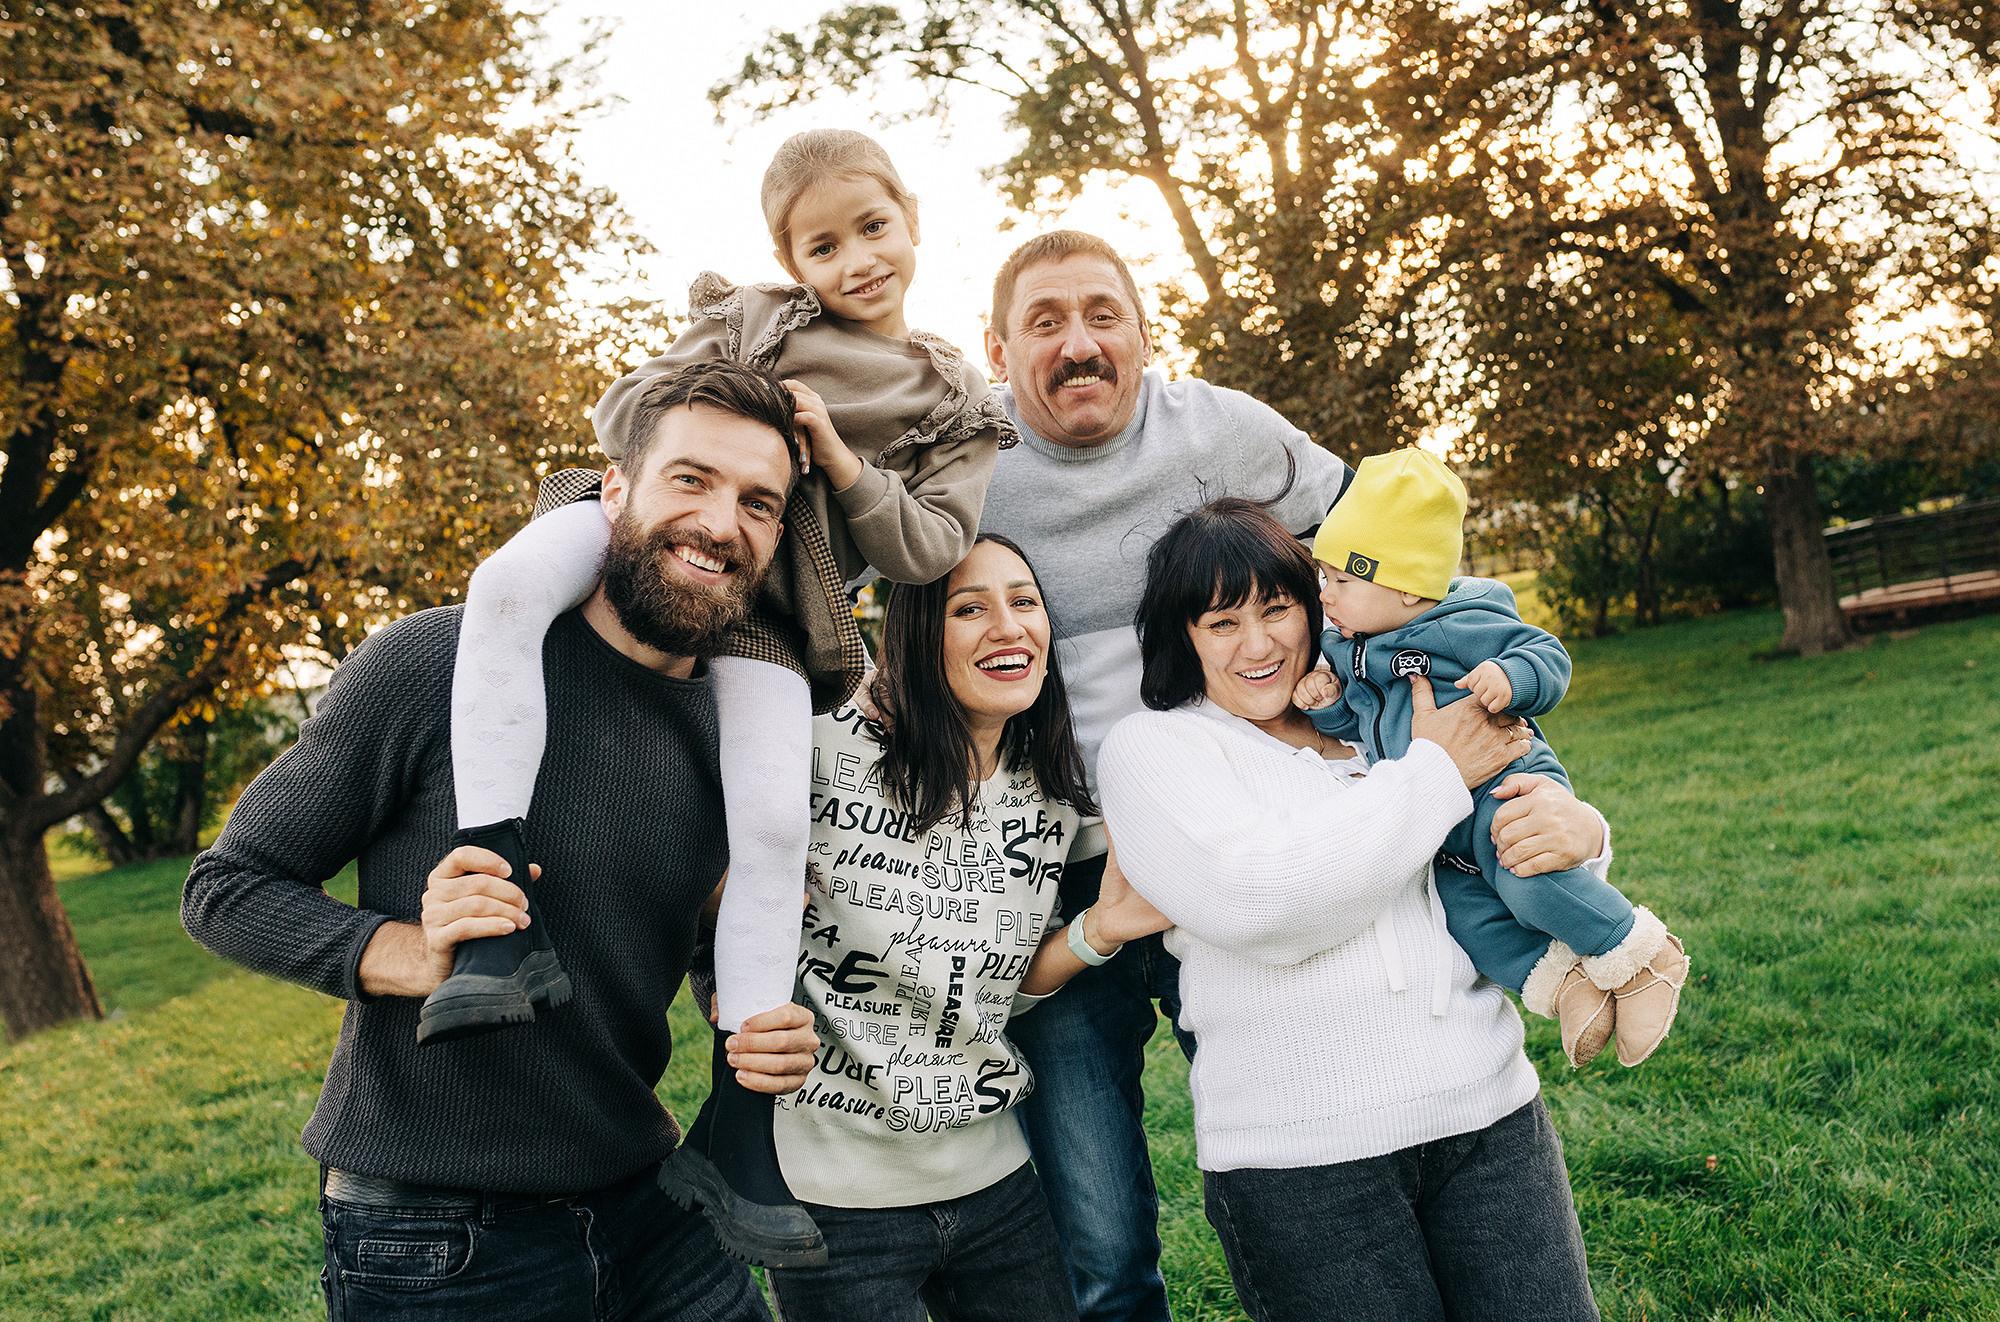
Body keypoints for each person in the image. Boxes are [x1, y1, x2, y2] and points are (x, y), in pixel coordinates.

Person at [972, 229, 1612, 1321]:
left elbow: (1385, 542)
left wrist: (1566, 809)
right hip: (1069, 857)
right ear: (996, 350)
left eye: (1102, 314)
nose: (1078, 342)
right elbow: (858, 593)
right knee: (1102, 1238)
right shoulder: (963, 475)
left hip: (1452, 1073)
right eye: (1044, 321)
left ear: (1144, 334)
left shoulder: (1226, 435)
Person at [441, 128, 1015, 1261]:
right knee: (501, 591)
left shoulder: (951, 396)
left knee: (770, 826)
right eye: (821, 246)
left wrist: (832, 458)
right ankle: (496, 920)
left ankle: (743, 1132)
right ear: (787, 257)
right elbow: (623, 419)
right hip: (640, 534)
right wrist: (736, 408)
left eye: (872, 228)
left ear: (911, 217)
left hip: (769, 607)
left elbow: (927, 548)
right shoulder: (758, 319)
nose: (854, 260)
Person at [181, 361, 820, 1322]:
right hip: (439, 1234)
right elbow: (225, 888)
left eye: (758, 504)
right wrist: (409, 952)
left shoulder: (740, 736)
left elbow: (670, 923)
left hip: (650, 1202)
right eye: (690, 479)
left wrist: (747, 1008)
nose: (721, 523)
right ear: (615, 491)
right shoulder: (433, 661)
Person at [1096, 498, 1607, 1322]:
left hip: (1490, 1116)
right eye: (1222, 623)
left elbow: (1503, 831)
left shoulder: (1380, 714)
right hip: (1305, 1167)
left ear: (1316, 606)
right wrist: (1435, 774)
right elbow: (1263, 904)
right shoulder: (1157, 749)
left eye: (1276, 609)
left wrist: (1585, 832)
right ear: (1181, 638)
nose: (1258, 645)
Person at [761, 533, 1170, 1322]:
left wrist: (1099, 930)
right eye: (969, 609)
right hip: (833, 1203)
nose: (1008, 627)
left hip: (997, 1191)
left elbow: (992, 995)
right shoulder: (820, 745)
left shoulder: (1050, 798)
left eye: (1025, 603)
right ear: (918, 634)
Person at [1294, 448, 1690, 1068]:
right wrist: (1329, 706)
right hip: (1443, 825)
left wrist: (1512, 677)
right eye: (1323, 579)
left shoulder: (1463, 622)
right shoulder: (1350, 646)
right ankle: (1567, 985)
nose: (1326, 597)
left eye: (1342, 581)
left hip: (1505, 788)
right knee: (1467, 916)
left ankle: (1640, 957)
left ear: (1405, 585)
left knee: (1528, 879)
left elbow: (1547, 655)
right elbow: (1365, 728)